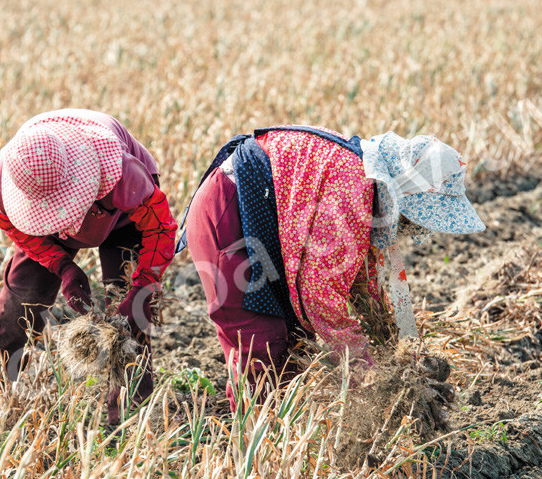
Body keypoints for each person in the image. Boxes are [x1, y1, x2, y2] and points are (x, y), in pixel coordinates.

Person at [177, 126, 485, 411]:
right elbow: (320, 295)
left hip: (260, 224)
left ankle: (282, 449)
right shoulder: (353, 187)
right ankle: (251, 451)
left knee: (294, 346)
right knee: (264, 347)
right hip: (227, 214)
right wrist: (369, 373)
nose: (413, 226)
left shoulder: (365, 186)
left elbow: (362, 284)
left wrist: (400, 358)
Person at [0, 109, 177, 423]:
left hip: (121, 219)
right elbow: (17, 230)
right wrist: (62, 266)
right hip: (41, 227)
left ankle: (129, 416)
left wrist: (143, 287)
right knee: (17, 310)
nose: (67, 222)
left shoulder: (120, 170)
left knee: (127, 315)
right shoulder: (3, 184)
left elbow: (160, 228)